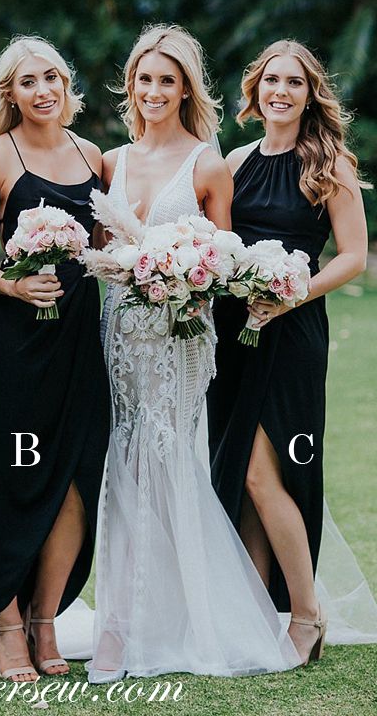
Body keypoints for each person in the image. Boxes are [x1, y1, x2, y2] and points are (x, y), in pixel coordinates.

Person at [88, 24, 300, 682]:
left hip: (181, 337)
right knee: (121, 462)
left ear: (185, 88)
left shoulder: (207, 163)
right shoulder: (110, 162)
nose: (154, 91)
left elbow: (222, 261)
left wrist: (180, 283)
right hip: (120, 332)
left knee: (171, 460)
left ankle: (192, 621)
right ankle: (120, 627)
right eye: (144, 79)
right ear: (132, 85)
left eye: (167, 81)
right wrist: (129, 271)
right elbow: (101, 253)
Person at [207, 40, 369, 666]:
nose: (280, 91)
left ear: (309, 94)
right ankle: (256, 618)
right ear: (255, 90)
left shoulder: (327, 162)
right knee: (245, 478)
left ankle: (307, 614)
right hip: (234, 331)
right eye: (271, 80)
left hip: (292, 333)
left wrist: (293, 293)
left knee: (262, 471)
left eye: (294, 83)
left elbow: (352, 257)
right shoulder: (236, 158)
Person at [0, 36, 110, 681]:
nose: (42, 90)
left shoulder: (95, 157)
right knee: (12, 477)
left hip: (81, 337)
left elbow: (105, 246)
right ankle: (5, 624)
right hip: (14, 345)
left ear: (65, 83)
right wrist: (16, 285)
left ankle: (46, 618)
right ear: (10, 94)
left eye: (51, 77)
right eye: (27, 82)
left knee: (79, 474)